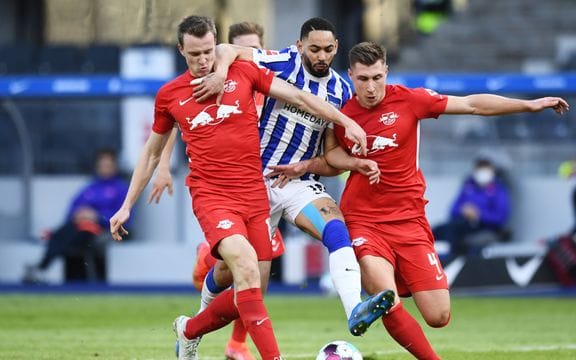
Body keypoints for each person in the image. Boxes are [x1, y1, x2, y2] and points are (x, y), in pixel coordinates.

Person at [109, 15, 368, 360]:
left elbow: (298, 96)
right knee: (245, 267)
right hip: (213, 197)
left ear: (215, 43)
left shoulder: (244, 74)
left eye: (206, 52)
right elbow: (152, 151)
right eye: (193, 55)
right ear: (180, 51)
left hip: (255, 194)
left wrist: (345, 119)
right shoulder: (170, 95)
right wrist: (127, 204)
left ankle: (189, 329)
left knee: (251, 290)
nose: (202, 62)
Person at [317, 41, 569, 359]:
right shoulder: (340, 113)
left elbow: (472, 104)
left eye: (377, 77)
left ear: (387, 72)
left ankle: (379, 296)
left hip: (409, 221)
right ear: (351, 75)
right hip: (363, 220)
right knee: (386, 297)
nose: (371, 87)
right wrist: (354, 163)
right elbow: (331, 154)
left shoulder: (410, 100)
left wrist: (530, 105)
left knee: (438, 316)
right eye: (363, 79)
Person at [161, 17, 395, 339]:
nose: (321, 56)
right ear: (300, 47)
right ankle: (195, 325)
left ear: (336, 48)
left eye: (327, 49)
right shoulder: (282, 62)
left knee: (337, 231)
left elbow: (330, 155)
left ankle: (355, 307)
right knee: (242, 279)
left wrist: (350, 163)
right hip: (254, 181)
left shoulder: (341, 91)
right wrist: (218, 74)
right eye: (313, 49)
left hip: (297, 183)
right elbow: (226, 49)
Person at [148, 21, 278, 360]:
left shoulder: (262, 75)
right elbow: (181, 120)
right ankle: (235, 342)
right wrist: (162, 166)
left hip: (262, 185)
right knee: (243, 271)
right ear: (227, 48)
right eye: (240, 46)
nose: (247, 51)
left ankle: (193, 327)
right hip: (219, 191)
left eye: (254, 47)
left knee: (253, 283)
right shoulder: (216, 78)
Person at [24, 149, 128, 283]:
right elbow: (72, 209)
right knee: (59, 234)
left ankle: (42, 268)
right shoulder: (90, 187)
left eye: (108, 165)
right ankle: (44, 268)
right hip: (79, 226)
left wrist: (96, 216)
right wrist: (78, 215)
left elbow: (125, 215)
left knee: (76, 236)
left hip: (103, 228)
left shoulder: (121, 189)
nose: (104, 168)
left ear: (115, 166)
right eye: (102, 165)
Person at [432, 157, 511, 257]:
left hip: (485, 226)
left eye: (486, 170)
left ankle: (451, 260)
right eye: (480, 169)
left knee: (453, 234)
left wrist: (479, 214)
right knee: (438, 230)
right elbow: (453, 210)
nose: (483, 173)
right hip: (463, 224)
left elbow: (500, 217)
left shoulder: (499, 190)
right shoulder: (468, 187)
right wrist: (464, 211)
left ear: (492, 172)